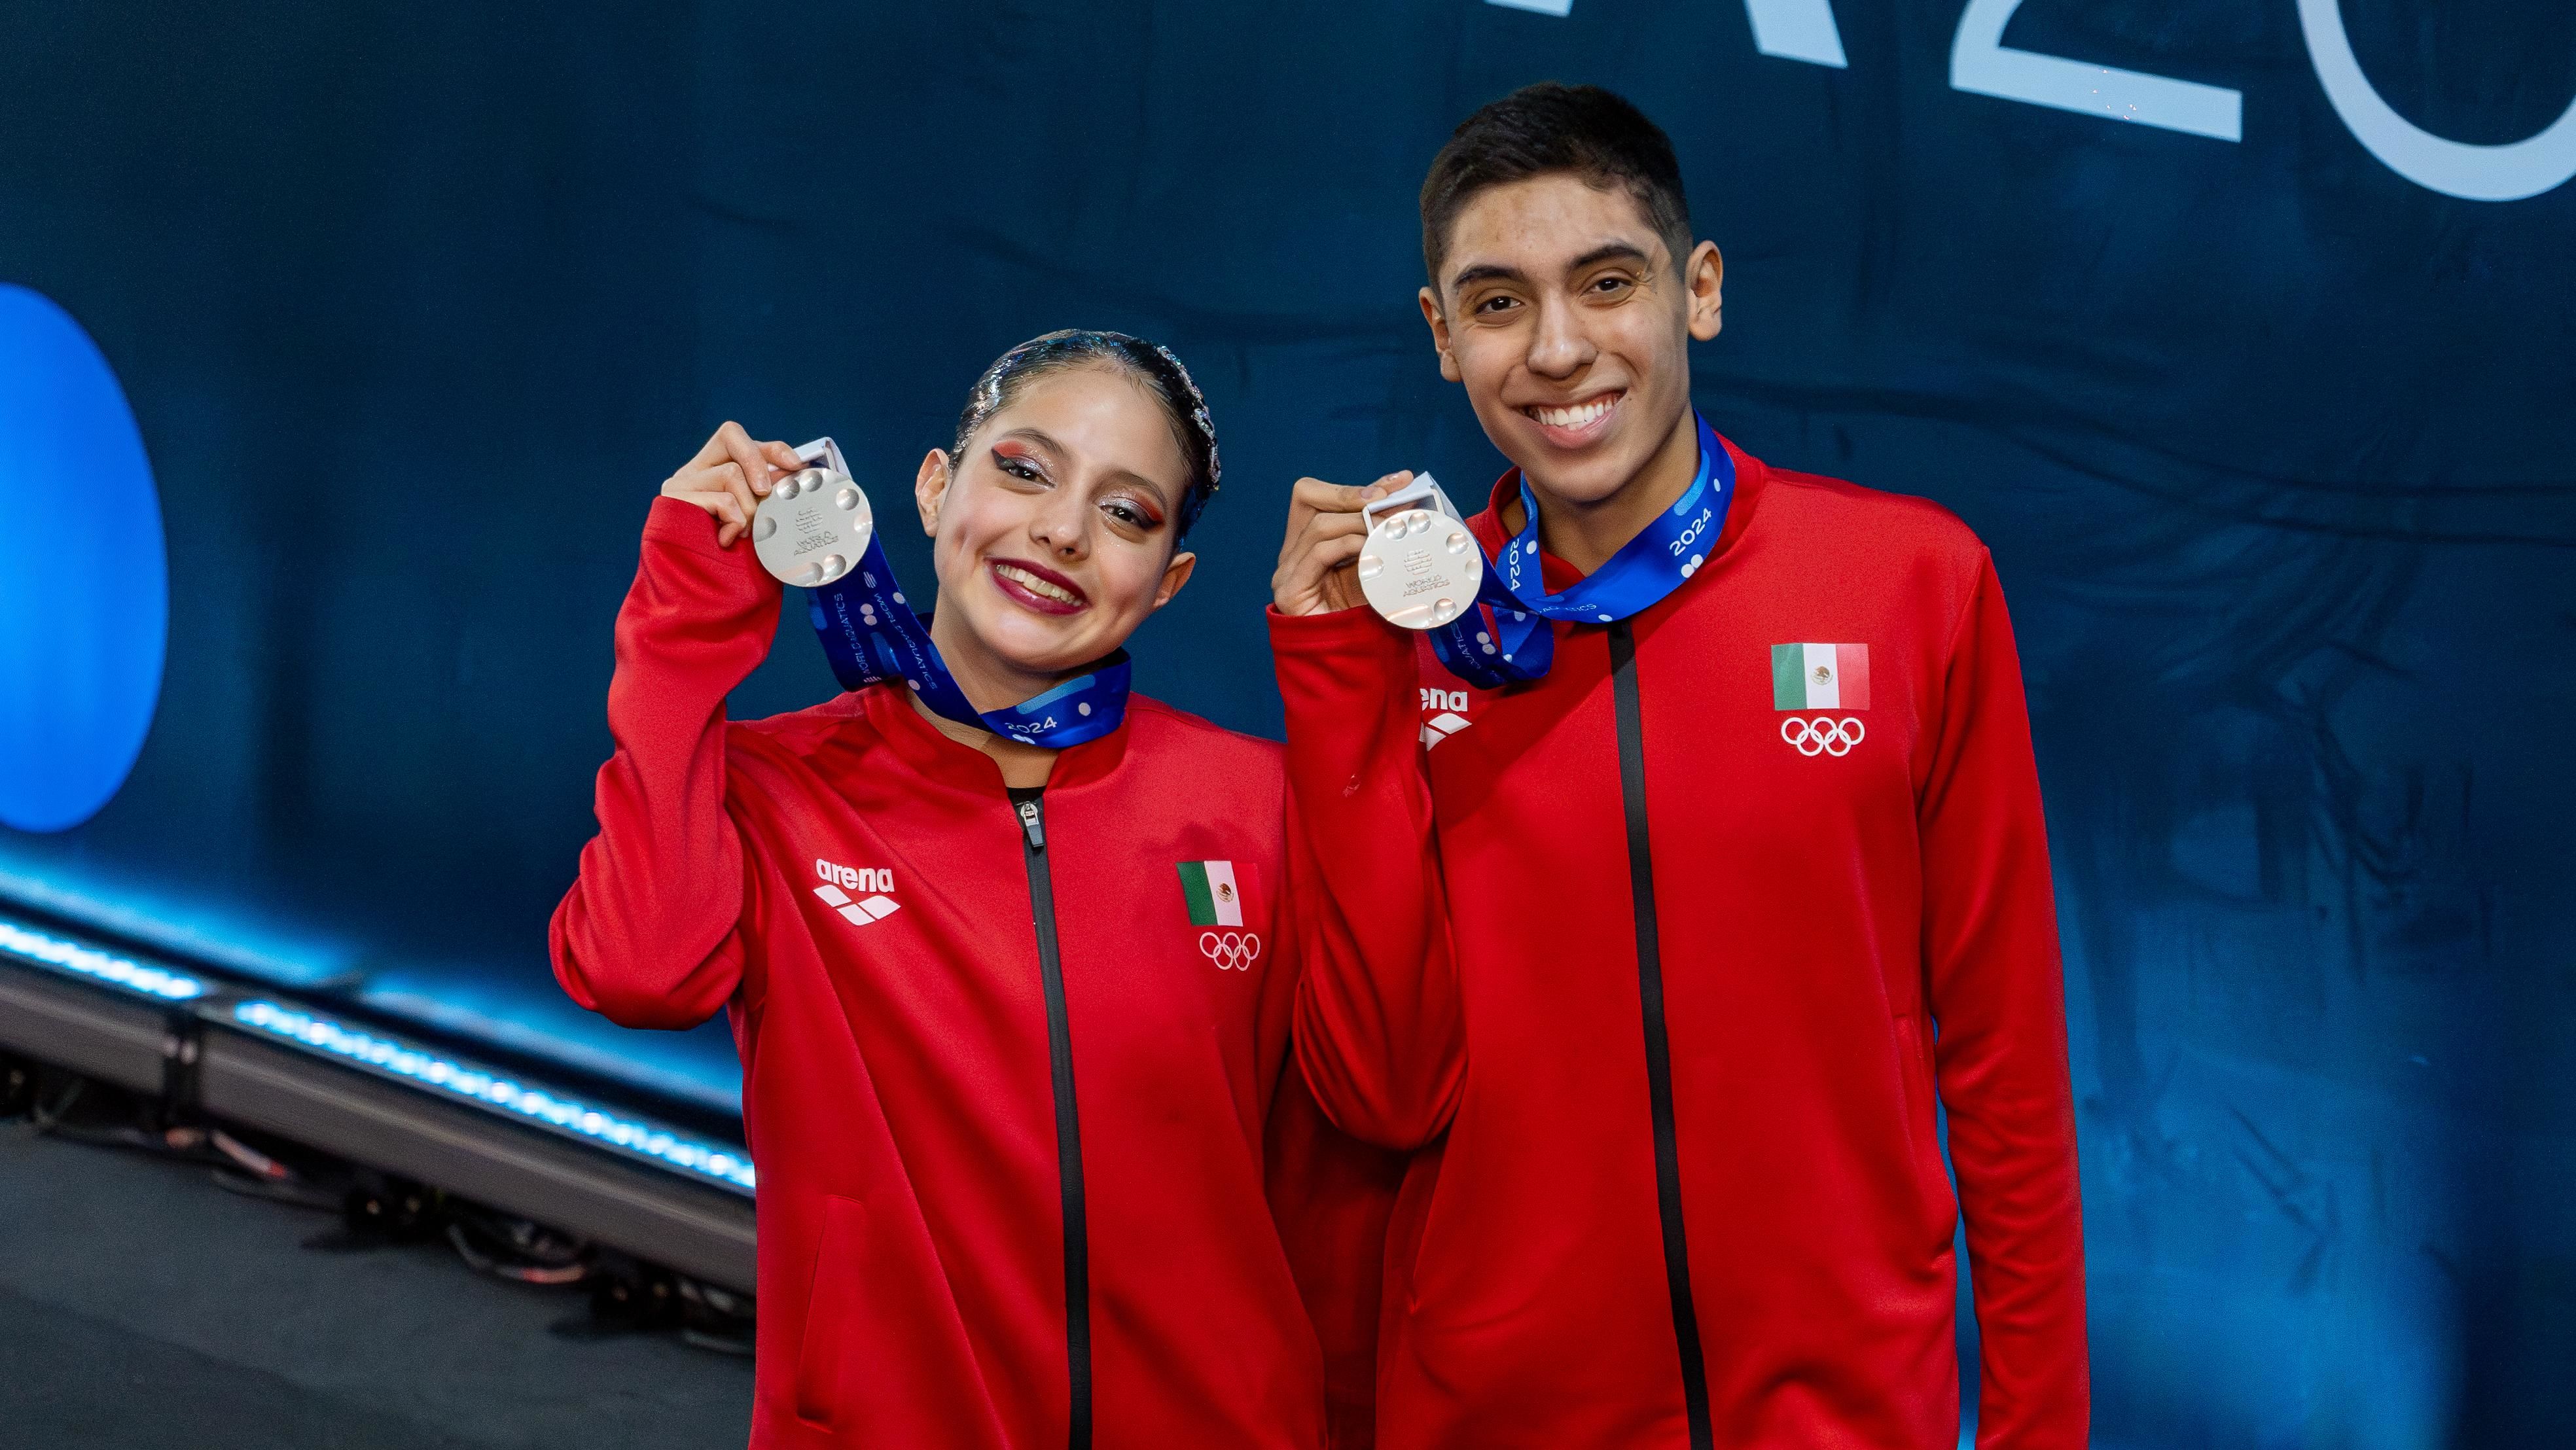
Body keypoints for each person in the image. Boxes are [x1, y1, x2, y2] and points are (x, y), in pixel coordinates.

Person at [1269, 84, 2088, 1449]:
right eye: (1495, 304)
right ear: (1440, 338)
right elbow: (1384, 1087)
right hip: (1499, 1414)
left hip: (1846, 1412)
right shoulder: (1402, 642)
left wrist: (2036, 1429)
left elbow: (2007, 1062)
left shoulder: (1910, 584)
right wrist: (1334, 682)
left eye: (1607, 283)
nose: (1558, 350)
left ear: (1698, 290)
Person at [553, 330, 1392, 1449]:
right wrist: (681, 629)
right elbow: (640, 971)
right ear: (937, 484)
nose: (1062, 530)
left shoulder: (1255, 806)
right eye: (1026, 470)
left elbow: (1348, 1160)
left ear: (1169, 582)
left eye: (1128, 513)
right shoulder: (776, 790)